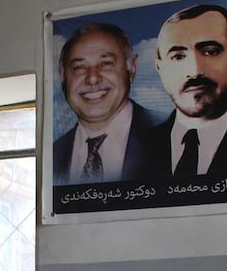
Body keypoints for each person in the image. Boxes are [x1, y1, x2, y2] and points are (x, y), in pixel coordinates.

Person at [147, 4, 227, 179]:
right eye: (178, 56)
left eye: (210, 52)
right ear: (160, 70)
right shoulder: (139, 149)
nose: (195, 70)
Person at [53, 23, 165, 185]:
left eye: (106, 63)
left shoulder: (171, 137)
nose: (92, 78)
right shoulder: (53, 155)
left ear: (131, 67)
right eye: (79, 67)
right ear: (63, 76)